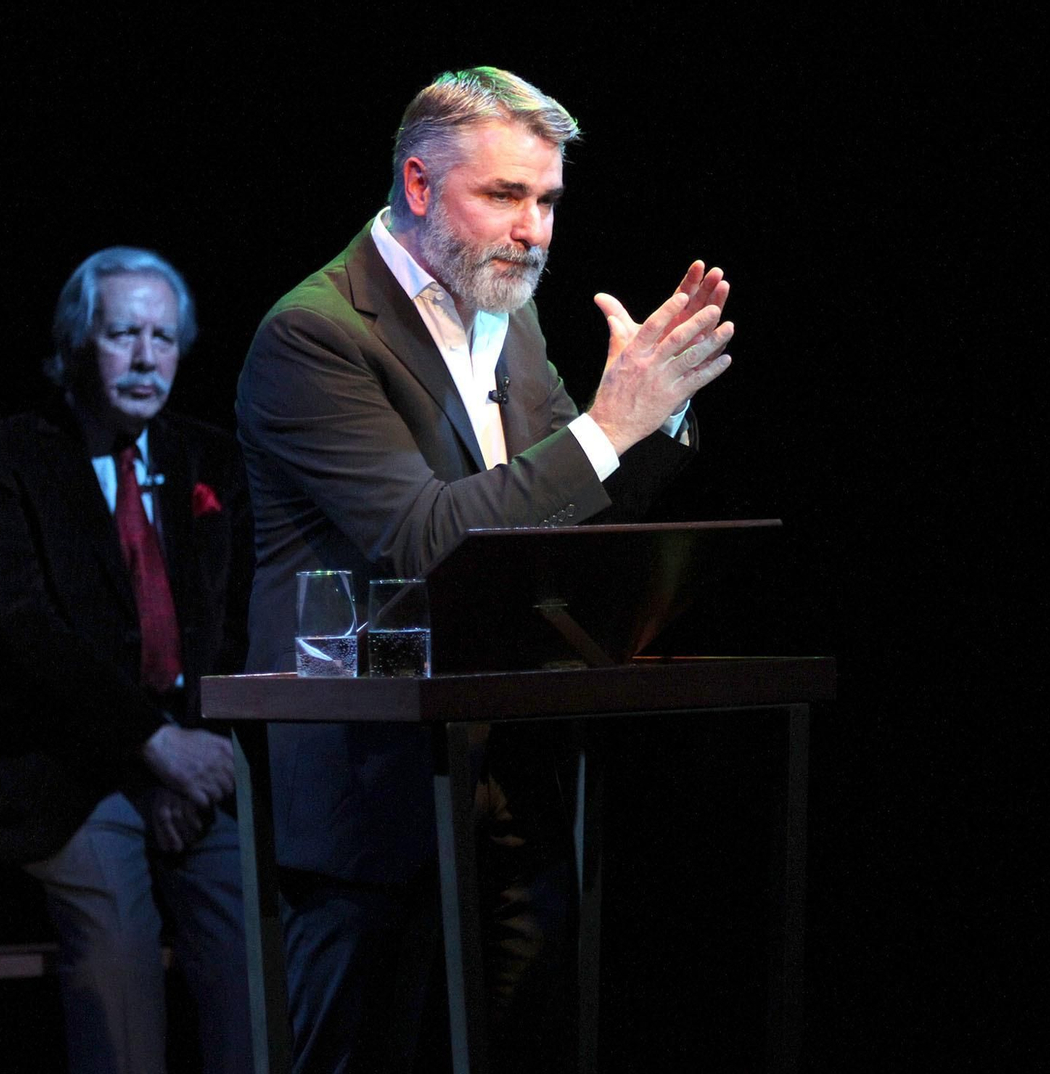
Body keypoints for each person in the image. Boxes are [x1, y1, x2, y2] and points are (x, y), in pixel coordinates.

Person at [236, 66, 735, 1072]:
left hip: (506, 776)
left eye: (547, 200)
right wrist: (605, 428)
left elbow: (564, 518)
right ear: (418, 187)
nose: (534, 230)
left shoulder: (510, 317)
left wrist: (648, 418)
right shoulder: (316, 335)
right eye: (504, 196)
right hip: (371, 803)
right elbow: (427, 539)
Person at [0, 247, 255, 1074]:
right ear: (77, 344)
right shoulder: (2, 458)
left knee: (253, 966)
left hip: (195, 759)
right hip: (68, 768)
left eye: (163, 336)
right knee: (120, 958)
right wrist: (151, 750)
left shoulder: (209, 459)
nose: (147, 356)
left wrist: (185, 756)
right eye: (124, 334)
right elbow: (24, 630)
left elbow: (231, 625)